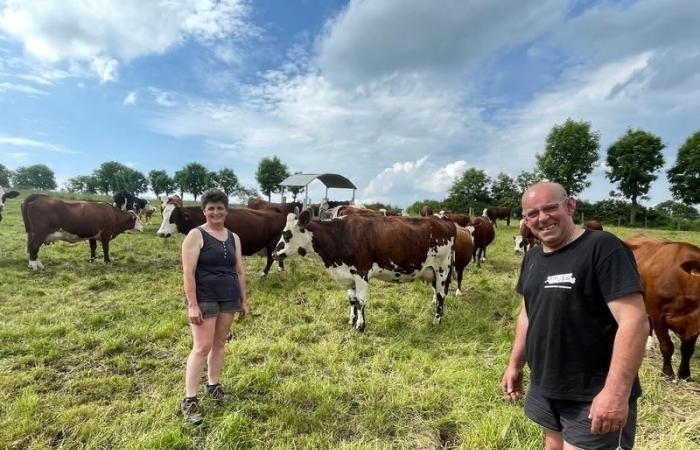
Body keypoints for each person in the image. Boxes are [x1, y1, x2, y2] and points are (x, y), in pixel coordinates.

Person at [501, 182, 649, 450]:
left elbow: (635, 321)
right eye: (532, 213)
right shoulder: (533, 257)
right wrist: (515, 364)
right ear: (525, 220)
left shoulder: (603, 248)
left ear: (570, 206)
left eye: (550, 208)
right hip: (547, 384)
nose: (542, 218)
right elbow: (527, 313)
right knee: (553, 444)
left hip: (592, 393)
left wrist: (615, 393)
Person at [180, 189, 248, 425]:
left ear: (226, 210)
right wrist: (192, 304)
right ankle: (189, 400)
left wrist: (244, 300)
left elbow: (239, 270)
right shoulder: (195, 235)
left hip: (229, 296)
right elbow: (188, 273)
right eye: (211, 208)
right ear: (204, 211)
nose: (216, 212)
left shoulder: (234, 237)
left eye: (220, 208)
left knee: (219, 343)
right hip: (205, 297)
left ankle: (213, 386)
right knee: (202, 347)